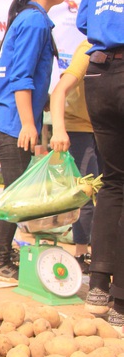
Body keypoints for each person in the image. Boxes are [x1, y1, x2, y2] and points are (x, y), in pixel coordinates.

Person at [0, 0, 76, 283]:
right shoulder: (35, 23)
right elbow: (21, 78)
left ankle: (2, 253)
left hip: (10, 119)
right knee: (15, 194)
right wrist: (28, 124)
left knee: (15, 191)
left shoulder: (32, 20)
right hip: (12, 122)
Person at [77, 0, 124, 328]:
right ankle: (122, 304)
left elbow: (84, 20)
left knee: (113, 183)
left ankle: (97, 287)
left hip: (99, 74)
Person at [48, 38, 104, 313]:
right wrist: (59, 130)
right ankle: (82, 253)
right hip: (80, 130)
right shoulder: (89, 48)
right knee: (85, 194)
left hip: (107, 130)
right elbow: (59, 91)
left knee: (108, 196)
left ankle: (105, 258)